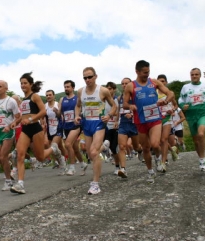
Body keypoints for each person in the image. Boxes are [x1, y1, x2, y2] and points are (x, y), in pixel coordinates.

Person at [10, 72, 63, 194]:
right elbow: (23, 116)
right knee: (20, 154)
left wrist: (30, 119)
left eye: (25, 83)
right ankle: (20, 184)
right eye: (21, 83)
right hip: (25, 129)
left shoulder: (35, 96)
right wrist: (13, 123)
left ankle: (53, 149)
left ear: (31, 84)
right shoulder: (23, 100)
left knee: (40, 157)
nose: (23, 85)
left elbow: (43, 111)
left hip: (35, 128)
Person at [123, 60, 174, 184]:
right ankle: (150, 171)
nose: (147, 74)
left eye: (148, 72)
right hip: (140, 121)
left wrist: (166, 101)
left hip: (155, 118)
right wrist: (130, 107)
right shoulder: (131, 86)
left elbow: (170, 93)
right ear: (137, 71)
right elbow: (124, 104)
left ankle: (159, 158)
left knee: (155, 144)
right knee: (145, 148)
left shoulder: (154, 82)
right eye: (144, 73)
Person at [74, 67, 117, 195]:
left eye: (90, 77)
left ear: (95, 76)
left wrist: (109, 115)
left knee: (93, 152)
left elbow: (114, 105)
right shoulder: (81, 91)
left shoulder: (103, 91)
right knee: (90, 153)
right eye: (85, 78)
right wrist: (77, 116)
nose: (87, 80)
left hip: (99, 123)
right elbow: (78, 105)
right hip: (87, 124)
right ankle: (104, 147)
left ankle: (95, 184)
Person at [178, 68, 205, 171]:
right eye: (192, 74)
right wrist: (182, 105)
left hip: (203, 113)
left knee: (201, 134)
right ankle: (200, 158)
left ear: (200, 75)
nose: (194, 76)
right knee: (195, 141)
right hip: (191, 115)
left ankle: (203, 158)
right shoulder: (185, 87)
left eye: (196, 74)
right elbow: (180, 99)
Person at [0, 80, 21, 191]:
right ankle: (11, 163)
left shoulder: (11, 101)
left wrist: (10, 125)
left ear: (6, 89)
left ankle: (8, 181)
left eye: (0, 86)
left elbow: (18, 117)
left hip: (7, 131)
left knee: (3, 157)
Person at [58, 80, 87, 176]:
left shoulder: (77, 98)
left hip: (76, 125)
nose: (66, 88)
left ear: (73, 88)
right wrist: (56, 111)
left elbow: (82, 109)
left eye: (68, 87)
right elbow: (59, 113)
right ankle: (83, 164)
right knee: (74, 148)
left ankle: (72, 167)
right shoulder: (62, 100)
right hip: (66, 126)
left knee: (67, 144)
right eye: (65, 87)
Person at [116, 77, 143, 178]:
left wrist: (132, 114)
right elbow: (119, 110)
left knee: (136, 146)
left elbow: (141, 109)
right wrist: (115, 121)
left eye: (126, 83)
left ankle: (140, 151)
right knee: (122, 146)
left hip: (134, 123)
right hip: (123, 123)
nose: (124, 85)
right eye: (122, 83)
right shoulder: (120, 98)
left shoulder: (136, 96)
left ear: (131, 84)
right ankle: (123, 169)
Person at [156, 74, 178, 172]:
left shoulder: (170, 93)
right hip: (156, 118)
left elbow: (176, 105)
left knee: (164, 139)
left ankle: (163, 163)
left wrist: (172, 110)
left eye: (163, 81)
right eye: (159, 81)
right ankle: (172, 150)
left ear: (166, 82)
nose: (161, 83)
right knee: (158, 141)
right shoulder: (154, 93)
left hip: (167, 118)